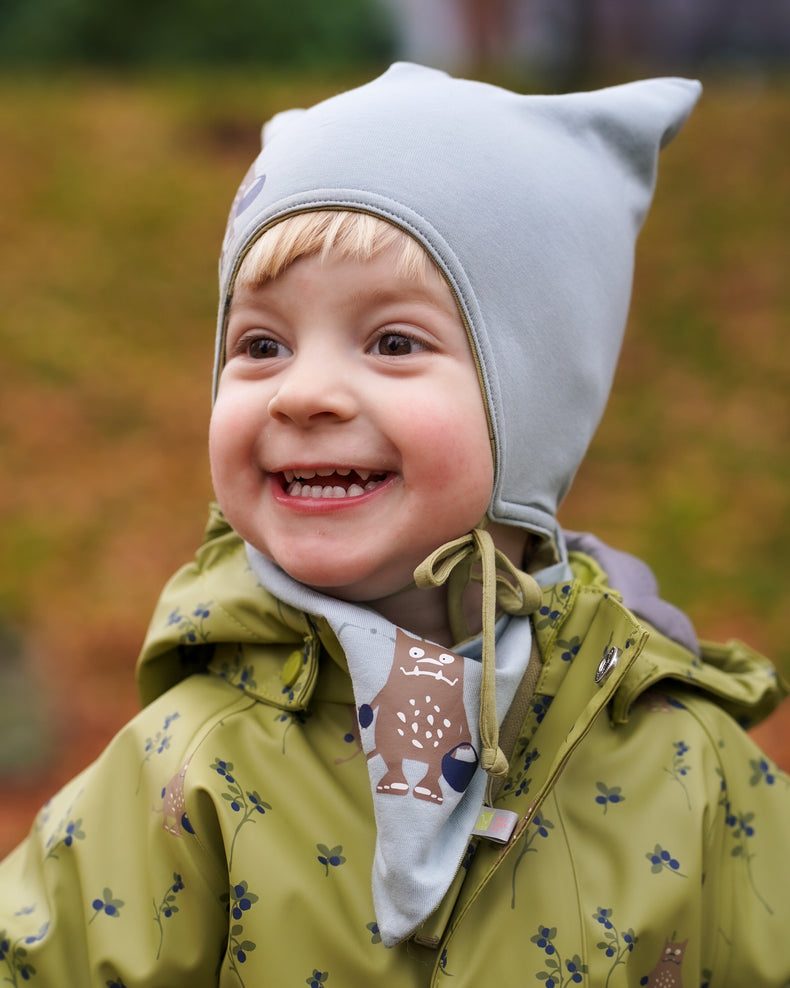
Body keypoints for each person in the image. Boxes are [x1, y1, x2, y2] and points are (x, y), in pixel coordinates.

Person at [1, 62, 788, 987]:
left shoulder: (681, 763)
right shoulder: (190, 775)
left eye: (392, 342)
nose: (305, 393)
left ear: (529, 403)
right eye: (261, 345)